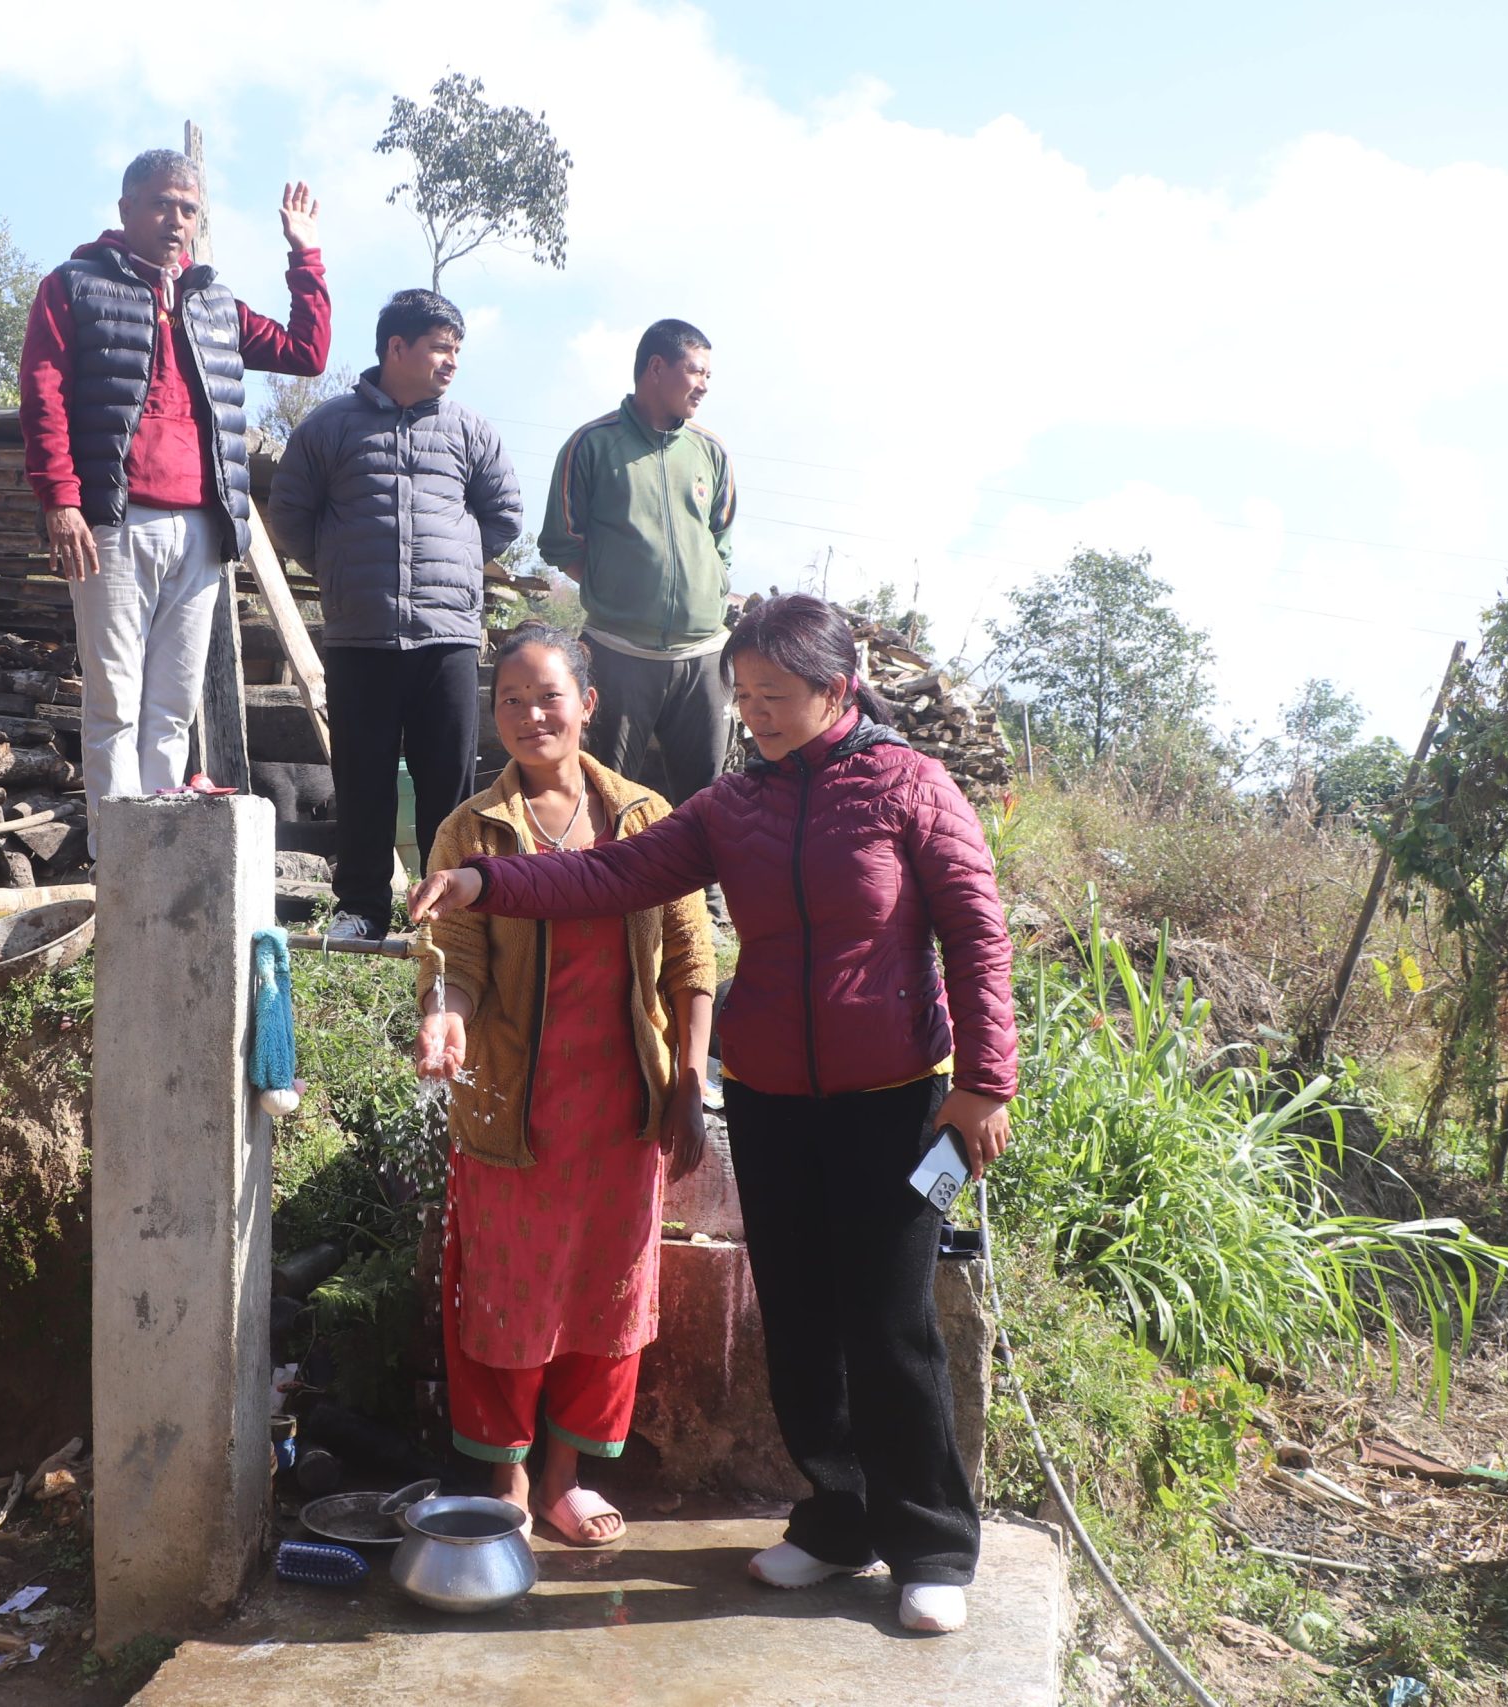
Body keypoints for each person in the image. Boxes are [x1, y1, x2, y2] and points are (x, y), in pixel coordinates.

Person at [409, 594, 1017, 1635]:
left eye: (774, 696)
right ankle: (837, 1520)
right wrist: (482, 881)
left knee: (888, 1324)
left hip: (892, 1103)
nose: (754, 715)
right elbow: (610, 873)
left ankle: (929, 1545)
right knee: (799, 1320)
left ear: (836, 689)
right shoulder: (732, 806)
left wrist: (985, 1082)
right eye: (743, 696)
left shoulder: (911, 786)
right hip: (772, 1100)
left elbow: (976, 933)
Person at [412, 622, 714, 1546]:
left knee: (605, 1293)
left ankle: (563, 1478)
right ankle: (506, 1477)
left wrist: (689, 1079)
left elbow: (691, 958)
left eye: (548, 696)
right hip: (513, 1105)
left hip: (620, 1109)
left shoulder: (648, 819)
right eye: (509, 699)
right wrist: (445, 1013)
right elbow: (453, 957)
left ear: (588, 703)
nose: (530, 714)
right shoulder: (471, 829)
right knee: (503, 1292)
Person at [18, 148, 331, 844]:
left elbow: (306, 354)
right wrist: (61, 500)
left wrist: (304, 254)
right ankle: (115, 861)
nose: (176, 219)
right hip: (114, 522)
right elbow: (43, 397)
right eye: (161, 204)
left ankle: (156, 860)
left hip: (201, 527)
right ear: (126, 208)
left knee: (172, 706)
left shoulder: (212, 301)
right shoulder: (74, 286)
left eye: (188, 208)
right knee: (114, 702)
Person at [267, 288, 523, 938]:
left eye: (457, 349)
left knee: (448, 780)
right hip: (361, 634)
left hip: (447, 635)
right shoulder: (330, 427)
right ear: (396, 347)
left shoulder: (470, 431)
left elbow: (504, 516)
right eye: (440, 347)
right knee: (363, 777)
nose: (451, 361)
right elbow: (290, 514)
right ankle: (361, 909)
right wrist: (339, 569)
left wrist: (453, 565)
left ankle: (447, 915)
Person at [538, 319, 738, 827]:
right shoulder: (590, 445)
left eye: (709, 375)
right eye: (696, 371)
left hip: (702, 656)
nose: (704, 385)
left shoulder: (711, 450)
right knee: (606, 796)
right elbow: (561, 543)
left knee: (706, 802)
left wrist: (710, 589)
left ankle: (701, 886)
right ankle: (609, 881)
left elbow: (722, 542)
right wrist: (616, 591)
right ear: (656, 367)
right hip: (617, 652)